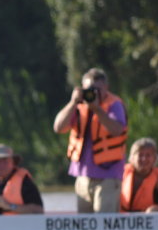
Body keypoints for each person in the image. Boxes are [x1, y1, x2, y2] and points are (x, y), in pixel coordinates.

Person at [53, 68, 128, 213]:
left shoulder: (114, 105)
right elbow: (59, 127)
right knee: (84, 228)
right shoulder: (79, 105)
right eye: (89, 89)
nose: (94, 93)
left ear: (106, 88)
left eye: (98, 89)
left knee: (103, 226)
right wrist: (73, 102)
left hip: (108, 178)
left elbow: (117, 129)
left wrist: (97, 109)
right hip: (83, 179)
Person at [120, 138, 158, 213]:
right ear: (132, 158)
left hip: (147, 220)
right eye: (140, 155)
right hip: (122, 219)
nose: (144, 159)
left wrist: (155, 209)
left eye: (148, 155)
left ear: (154, 158)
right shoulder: (122, 172)